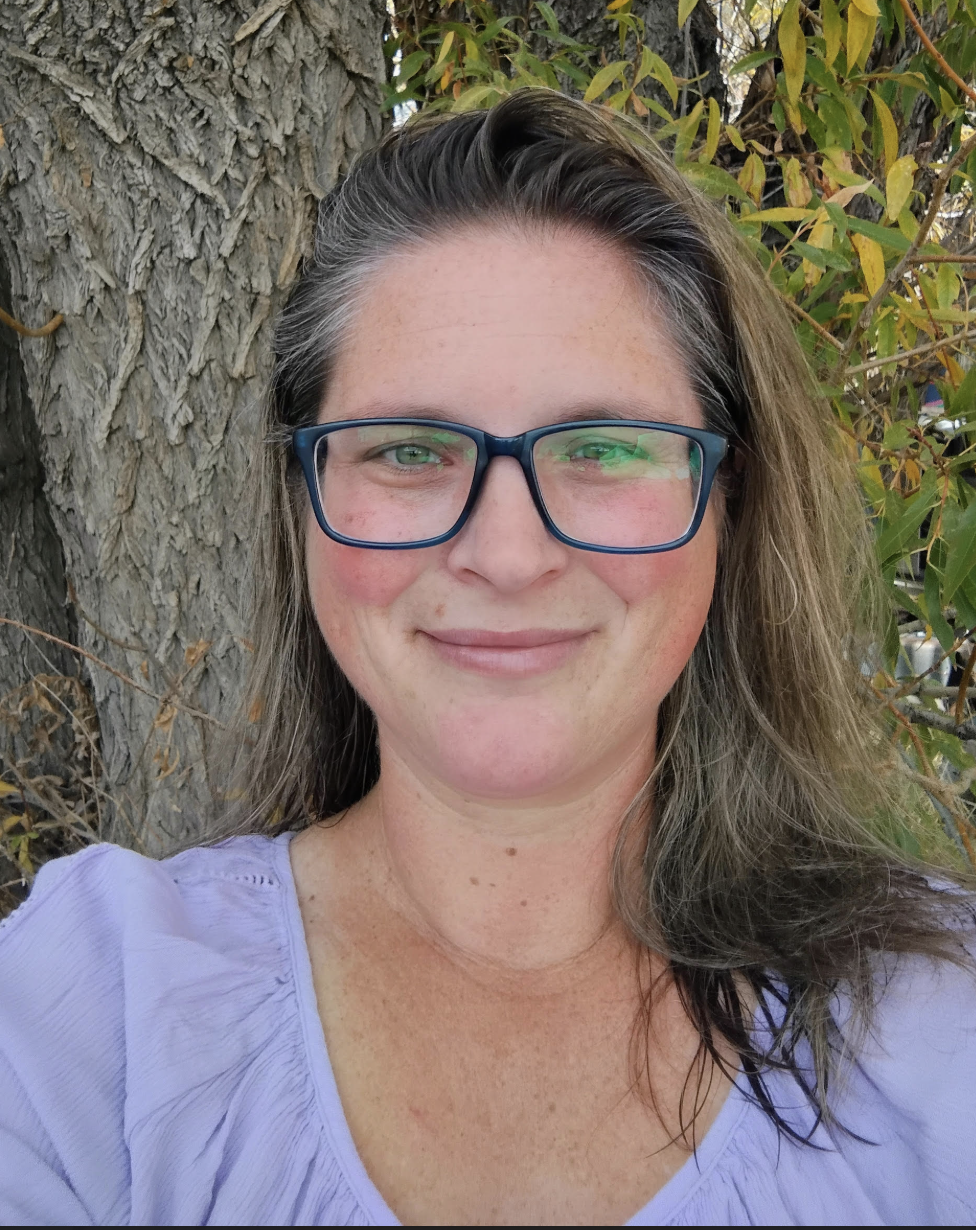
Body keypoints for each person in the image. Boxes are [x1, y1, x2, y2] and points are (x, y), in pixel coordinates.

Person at [0, 91, 973, 1227]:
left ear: (728, 501)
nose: (507, 552)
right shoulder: (93, 1016)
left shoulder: (939, 1037)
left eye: (604, 447)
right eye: (409, 449)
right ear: (302, 503)